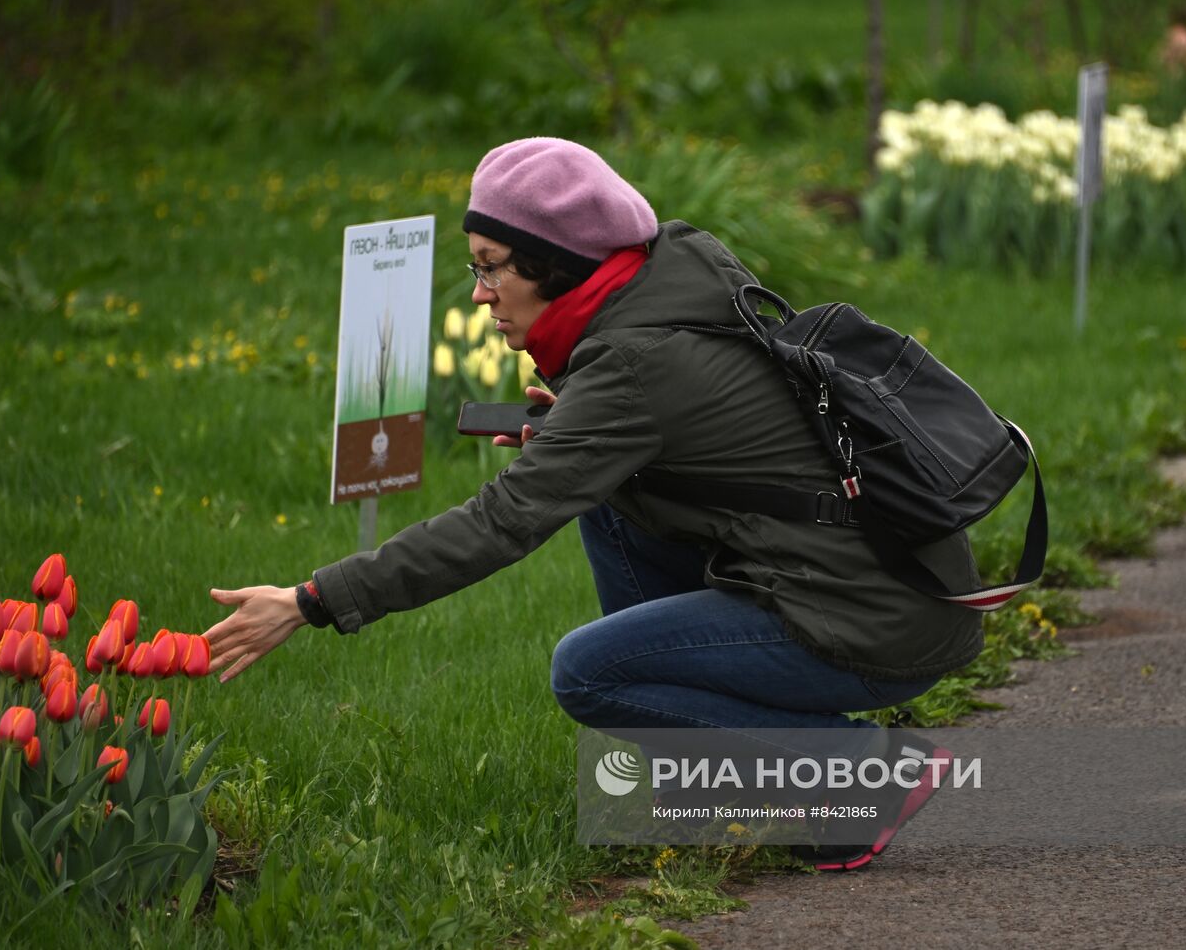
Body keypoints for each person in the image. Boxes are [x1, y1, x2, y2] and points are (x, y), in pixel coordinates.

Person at [204, 137, 980, 869]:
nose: (479, 295)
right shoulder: (666, 279)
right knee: (606, 496)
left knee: (589, 672)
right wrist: (574, 434)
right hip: (872, 577)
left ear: (556, 264)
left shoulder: (633, 365)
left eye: (490, 268)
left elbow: (499, 524)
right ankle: (711, 777)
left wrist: (311, 600)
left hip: (875, 619)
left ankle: (858, 777)